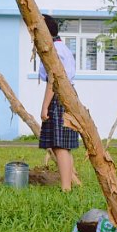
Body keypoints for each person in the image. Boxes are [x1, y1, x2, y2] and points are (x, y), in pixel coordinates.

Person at [39, 14, 80, 192]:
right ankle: (70, 185)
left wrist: (44, 106)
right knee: (64, 145)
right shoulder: (62, 47)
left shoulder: (53, 50)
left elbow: (53, 81)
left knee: (60, 145)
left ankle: (65, 188)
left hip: (59, 96)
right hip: (68, 94)